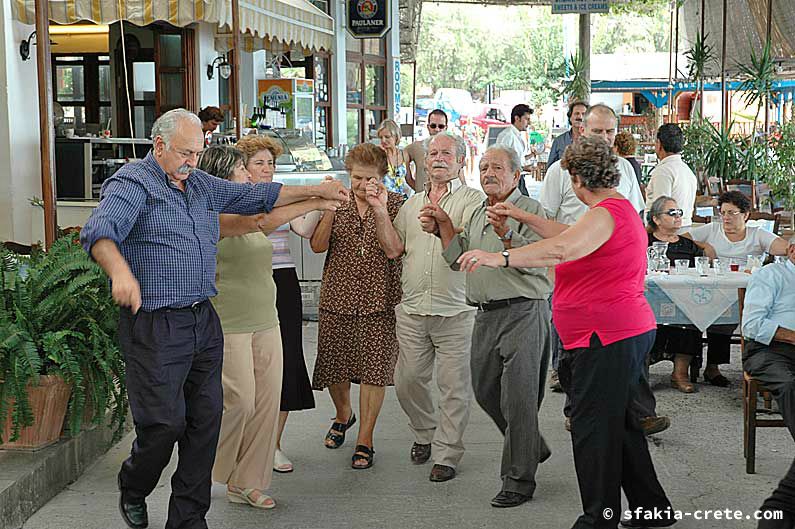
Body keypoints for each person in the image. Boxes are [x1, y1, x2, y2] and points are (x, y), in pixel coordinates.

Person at [79, 108, 349, 529]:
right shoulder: (133, 183)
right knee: (165, 425)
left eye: (198, 153)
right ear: (159, 145)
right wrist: (119, 272)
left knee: (206, 422)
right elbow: (99, 230)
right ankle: (134, 484)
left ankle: (188, 519)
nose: (193, 161)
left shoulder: (199, 182)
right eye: (186, 152)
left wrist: (315, 190)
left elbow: (256, 199)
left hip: (203, 320)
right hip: (154, 325)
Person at [456, 136, 675, 529]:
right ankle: (652, 510)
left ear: (576, 178)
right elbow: (564, 235)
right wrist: (522, 218)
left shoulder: (605, 214)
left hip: (604, 336)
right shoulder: (611, 211)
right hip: (616, 333)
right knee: (622, 427)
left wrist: (499, 256)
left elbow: (559, 250)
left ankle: (598, 518)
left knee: (593, 431)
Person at [197, 145, 338, 510]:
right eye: (243, 171)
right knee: (240, 401)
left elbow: (272, 213)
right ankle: (211, 468)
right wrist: (317, 198)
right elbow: (263, 222)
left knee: (265, 403)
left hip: (266, 319)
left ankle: (249, 482)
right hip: (229, 322)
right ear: (223, 178)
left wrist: (319, 199)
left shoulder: (249, 206)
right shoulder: (209, 213)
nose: (249, 176)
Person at [424, 144, 552, 508]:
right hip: (485, 313)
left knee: (520, 399)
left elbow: (541, 262)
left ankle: (518, 480)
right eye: (483, 167)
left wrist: (509, 233)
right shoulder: (480, 210)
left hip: (524, 312)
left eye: (497, 167)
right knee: (484, 391)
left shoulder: (531, 210)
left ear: (516, 175)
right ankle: (530, 445)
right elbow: (457, 258)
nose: (488, 173)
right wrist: (444, 227)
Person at [369, 132, 484, 482]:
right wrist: (378, 211)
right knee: (407, 381)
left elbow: (467, 252)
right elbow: (393, 249)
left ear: (461, 161)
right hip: (413, 309)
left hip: (457, 312)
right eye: (432, 152)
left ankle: (447, 454)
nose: (438, 158)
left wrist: (444, 227)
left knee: (453, 387)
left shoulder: (473, 201)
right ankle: (424, 432)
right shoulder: (410, 203)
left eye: (447, 153)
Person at [540, 103, 647, 406]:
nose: (604, 137)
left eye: (610, 131)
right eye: (597, 130)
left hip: (613, 271)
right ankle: (576, 407)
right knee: (571, 350)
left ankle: (632, 410)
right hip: (571, 267)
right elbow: (546, 218)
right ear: (582, 130)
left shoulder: (625, 168)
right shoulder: (559, 171)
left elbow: (635, 217)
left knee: (619, 340)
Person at [310, 143, 403, 470]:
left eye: (370, 179)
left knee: (374, 371)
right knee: (335, 364)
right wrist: (329, 209)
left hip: (379, 298)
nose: (363, 186)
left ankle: (366, 437)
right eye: (357, 178)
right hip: (338, 296)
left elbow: (394, 250)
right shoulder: (338, 202)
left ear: (383, 177)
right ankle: (343, 414)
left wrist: (379, 209)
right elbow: (318, 246)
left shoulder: (395, 204)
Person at [235, 134, 319, 474]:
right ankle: (246, 443)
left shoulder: (283, 194)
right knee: (247, 368)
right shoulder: (232, 195)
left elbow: (303, 229)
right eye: (259, 163)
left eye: (271, 163)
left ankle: (273, 444)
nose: (267, 169)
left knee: (285, 360)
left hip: (282, 280)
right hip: (245, 283)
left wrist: (316, 201)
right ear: (244, 167)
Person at [682, 190, 789, 386]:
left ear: (745, 215)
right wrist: (705, 246)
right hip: (711, 290)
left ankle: (713, 367)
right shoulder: (712, 230)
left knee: (726, 318)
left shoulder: (756, 234)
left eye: (732, 213)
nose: (726, 218)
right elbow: (680, 239)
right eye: (723, 212)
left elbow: (784, 248)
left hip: (743, 294)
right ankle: (686, 367)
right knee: (689, 310)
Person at [742, 236, 795, 529]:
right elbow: (752, 325)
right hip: (770, 349)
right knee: (789, 385)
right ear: (792, 250)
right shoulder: (771, 275)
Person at [646, 196, 704, 394]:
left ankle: (680, 374)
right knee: (642, 322)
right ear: (656, 219)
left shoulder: (688, 245)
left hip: (683, 300)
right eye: (671, 213)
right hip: (649, 299)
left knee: (692, 317)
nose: (678, 217)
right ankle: (640, 373)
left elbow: (701, 271)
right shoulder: (643, 241)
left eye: (679, 213)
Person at [644, 124, 698, 231]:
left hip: (666, 234)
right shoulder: (687, 170)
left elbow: (660, 211)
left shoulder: (663, 171)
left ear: (659, 144)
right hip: (684, 229)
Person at [405, 109, 448, 192]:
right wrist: (419, 190)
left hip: (446, 201)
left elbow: (461, 179)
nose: (437, 129)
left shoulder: (454, 149)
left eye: (441, 126)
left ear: (446, 127)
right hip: (421, 201)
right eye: (433, 126)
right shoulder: (416, 147)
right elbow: (399, 156)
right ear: (428, 127)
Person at [547, 100, 588, 167]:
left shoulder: (593, 141)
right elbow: (550, 168)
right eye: (576, 113)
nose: (580, 117)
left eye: (583, 114)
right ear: (570, 117)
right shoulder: (559, 141)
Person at [495, 104, 534, 174]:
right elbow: (501, 162)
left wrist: (532, 155)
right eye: (526, 119)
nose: (529, 122)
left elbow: (517, 159)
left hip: (518, 177)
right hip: (510, 180)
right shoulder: (507, 136)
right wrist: (523, 168)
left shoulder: (517, 135)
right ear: (517, 118)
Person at [378, 118, 412, 197]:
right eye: (381, 137)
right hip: (383, 200)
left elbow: (409, 179)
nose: (383, 140)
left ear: (396, 136)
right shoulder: (378, 155)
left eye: (387, 137)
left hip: (400, 200)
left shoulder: (404, 154)